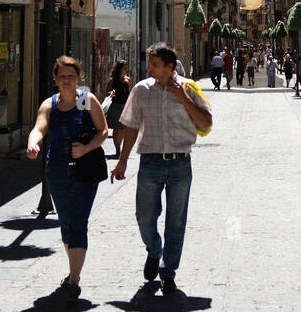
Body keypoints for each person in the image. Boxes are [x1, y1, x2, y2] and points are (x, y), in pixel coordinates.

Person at [111, 42, 212, 294]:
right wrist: (122, 159)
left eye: (155, 64)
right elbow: (132, 125)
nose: (150, 68)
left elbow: (206, 121)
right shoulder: (141, 90)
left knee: (176, 223)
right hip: (150, 162)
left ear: (170, 67)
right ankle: (154, 250)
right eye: (150, 64)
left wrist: (183, 97)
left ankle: (168, 272)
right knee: (144, 217)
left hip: (180, 163)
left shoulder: (190, 88)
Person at [27, 55, 108, 298]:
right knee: (66, 222)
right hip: (58, 171)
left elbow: (103, 130)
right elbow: (39, 128)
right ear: (55, 79)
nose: (66, 80)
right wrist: (33, 144)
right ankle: (73, 270)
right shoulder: (49, 105)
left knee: (78, 221)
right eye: (61, 76)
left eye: (71, 76)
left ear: (79, 78)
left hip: (84, 171)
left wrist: (85, 148)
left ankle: (74, 279)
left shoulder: (85, 100)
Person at [105, 60, 132, 160]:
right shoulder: (112, 80)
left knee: (123, 128)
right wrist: (110, 93)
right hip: (115, 105)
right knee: (117, 128)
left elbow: (129, 93)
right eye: (124, 68)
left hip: (124, 106)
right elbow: (107, 93)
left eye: (126, 68)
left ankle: (121, 149)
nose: (126, 70)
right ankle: (118, 150)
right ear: (119, 69)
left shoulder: (128, 80)